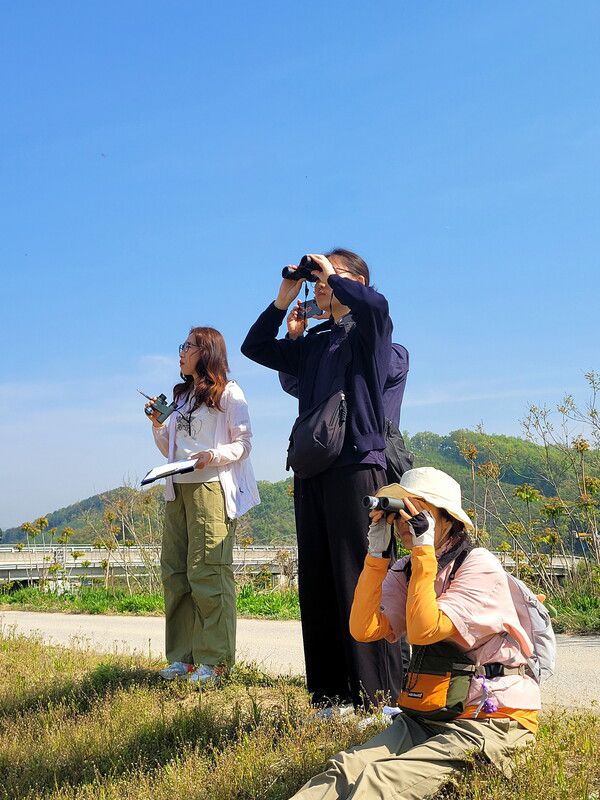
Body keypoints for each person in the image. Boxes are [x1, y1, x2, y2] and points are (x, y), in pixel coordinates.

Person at [290, 467, 539, 800]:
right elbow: (363, 629)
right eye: (400, 512)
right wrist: (376, 556)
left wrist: (422, 553)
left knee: (381, 780)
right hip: (426, 716)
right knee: (345, 768)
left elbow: (425, 630)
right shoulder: (405, 570)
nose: (405, 522)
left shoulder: (477, 565)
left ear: (447, 519)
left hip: (491, 720)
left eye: (417, 512)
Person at [241, 249, 406, 711]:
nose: (319, 284)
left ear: (356, 282)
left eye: (327, 277)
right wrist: (283, 299)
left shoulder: (371, 334)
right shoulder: (315, 342)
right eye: (316, 278)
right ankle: (331, 695)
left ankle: (379, 696)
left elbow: (375, 306)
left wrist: (333, 275)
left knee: (362, 577)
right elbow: (255, 347)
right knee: (318, 581)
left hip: (357, 465)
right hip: (312, 467)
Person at [146, 326, 259, 683]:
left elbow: (244, 444)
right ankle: (183, 657)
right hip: (177, 490)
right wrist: (157, 425)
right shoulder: (181, 396)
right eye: (182, 346)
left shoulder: (229, 392)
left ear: (207, 351)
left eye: (189, 346)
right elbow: (171, 449)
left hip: (211, 488)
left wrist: (213, 455)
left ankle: (216, 661)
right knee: (175, 573)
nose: (181, 352)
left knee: (208, 571)